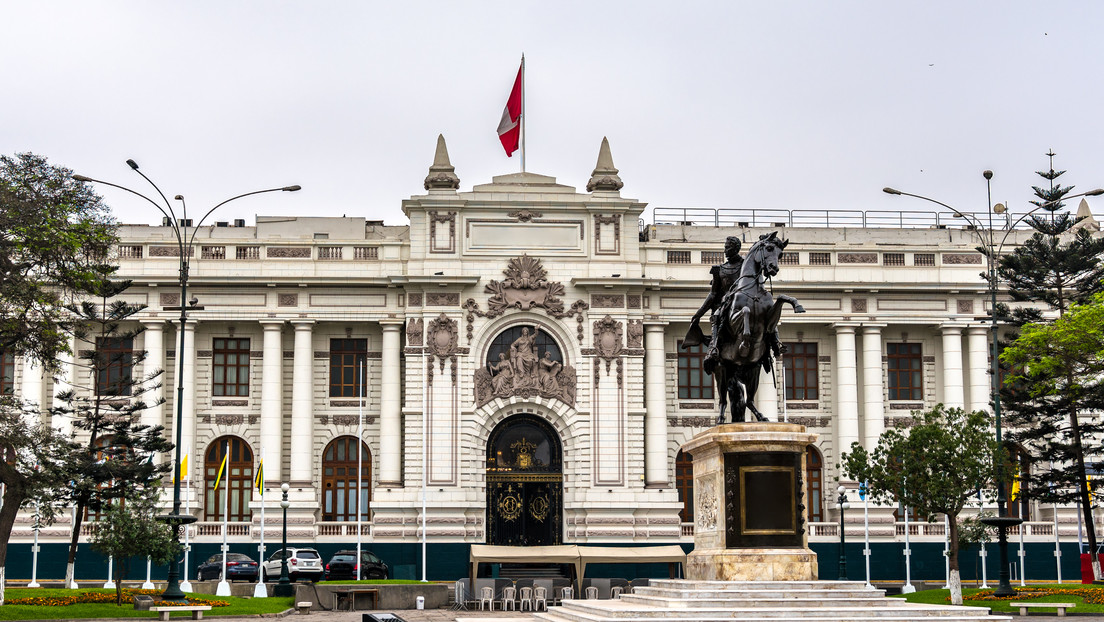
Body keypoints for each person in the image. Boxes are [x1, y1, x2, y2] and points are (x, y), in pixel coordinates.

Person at [684, 236, 743, 368]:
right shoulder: (720, 269)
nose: (725, 250)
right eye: (725, 247)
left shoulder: (746, 266)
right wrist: (698, 314)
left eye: (728, 247)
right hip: (727, 304)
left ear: (736, 248)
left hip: (745, 301)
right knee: (716, 316)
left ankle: (775, 342)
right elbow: (713, 294)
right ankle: (713, 349)